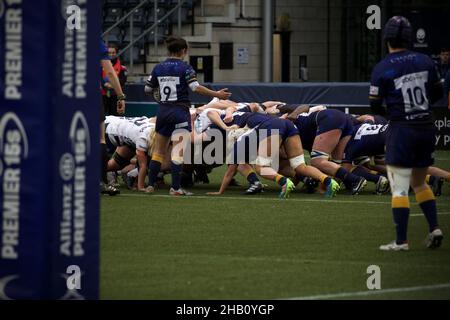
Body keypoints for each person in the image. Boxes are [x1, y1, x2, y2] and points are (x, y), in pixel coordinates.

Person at [369, 16, 444, 251]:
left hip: (401, 129)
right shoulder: (425, 61)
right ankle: (434, 227)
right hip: (426, 126)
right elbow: (437, 92)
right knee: (420, 183)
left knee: (400, 187)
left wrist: (394, 113)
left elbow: (374, 105)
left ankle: (401, 241)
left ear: (387, 39)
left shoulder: (382, 67)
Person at [144, 36, 231, 195]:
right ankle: (175, 188)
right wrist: (216, 93)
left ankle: (150, 185)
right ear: (183, 51)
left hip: (163, 111)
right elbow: (195, 87)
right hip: (179, 112)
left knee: (158, 151)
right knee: (178, 152)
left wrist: (161, 99)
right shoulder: (185, 67)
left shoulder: (158, 67)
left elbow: (147, 90)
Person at [100, 39, 126, 195]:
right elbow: (109, 71)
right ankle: (101, 182)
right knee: (100, 139)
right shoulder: (94, 39)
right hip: (92, 93)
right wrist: (121, 96)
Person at [102, 43, 128, 116]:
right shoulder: (101, 65)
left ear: (116, 53)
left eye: (113, 52)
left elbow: (123, 81)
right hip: (103, 95)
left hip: (116, 96)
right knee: (101, 118)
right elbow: (99, 79)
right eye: (109, 53)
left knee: (116, 118)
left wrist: (111, 85)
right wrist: (105, 85)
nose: (111, 54)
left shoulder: (122, 66)